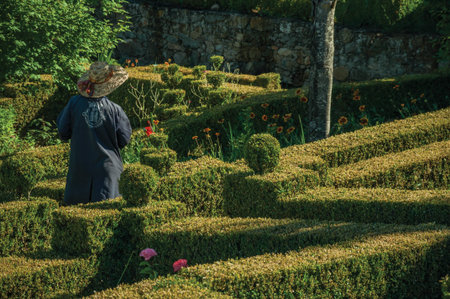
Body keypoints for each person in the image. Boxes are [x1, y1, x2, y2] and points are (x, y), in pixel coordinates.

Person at [57, 61, 132, 205]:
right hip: (107, 170)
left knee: (76, 220)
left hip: (79, 170)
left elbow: (63, 132)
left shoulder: (74, 103)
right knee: (106, 218)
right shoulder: (115, 109)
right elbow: (124, 139)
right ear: (108, 83)